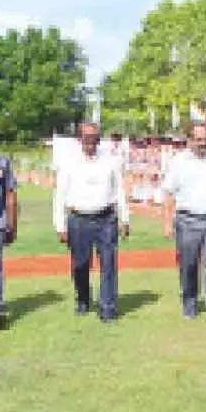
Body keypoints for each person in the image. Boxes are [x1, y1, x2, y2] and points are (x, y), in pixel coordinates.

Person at [53, 122, 129, 323]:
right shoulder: (68, 163)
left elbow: (119, 190)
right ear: (79, 139)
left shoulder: (111, 161)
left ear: (99, 139)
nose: (90, 141)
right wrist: (60, 225)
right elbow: (59, 195)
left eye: (94, 137)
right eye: (86, 137)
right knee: (80, 264)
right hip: (78, 220)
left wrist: (125, 218)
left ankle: (107, 308)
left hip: (106, 219)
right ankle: (83, 299)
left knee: (109, 265)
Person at [161, 122, 206, 329]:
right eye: (199, 139)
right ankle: (189, 302)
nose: (203, 143)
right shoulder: (178, 162)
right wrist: (167, 222)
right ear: (189, 140)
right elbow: (168, 192)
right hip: (187, 221)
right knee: (188, 266)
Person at [0, 149, 17, 330]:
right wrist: (12, 225)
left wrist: (11, 223)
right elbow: (11, 196)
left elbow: (10, 196)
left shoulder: (2, 162)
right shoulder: (1, 161)